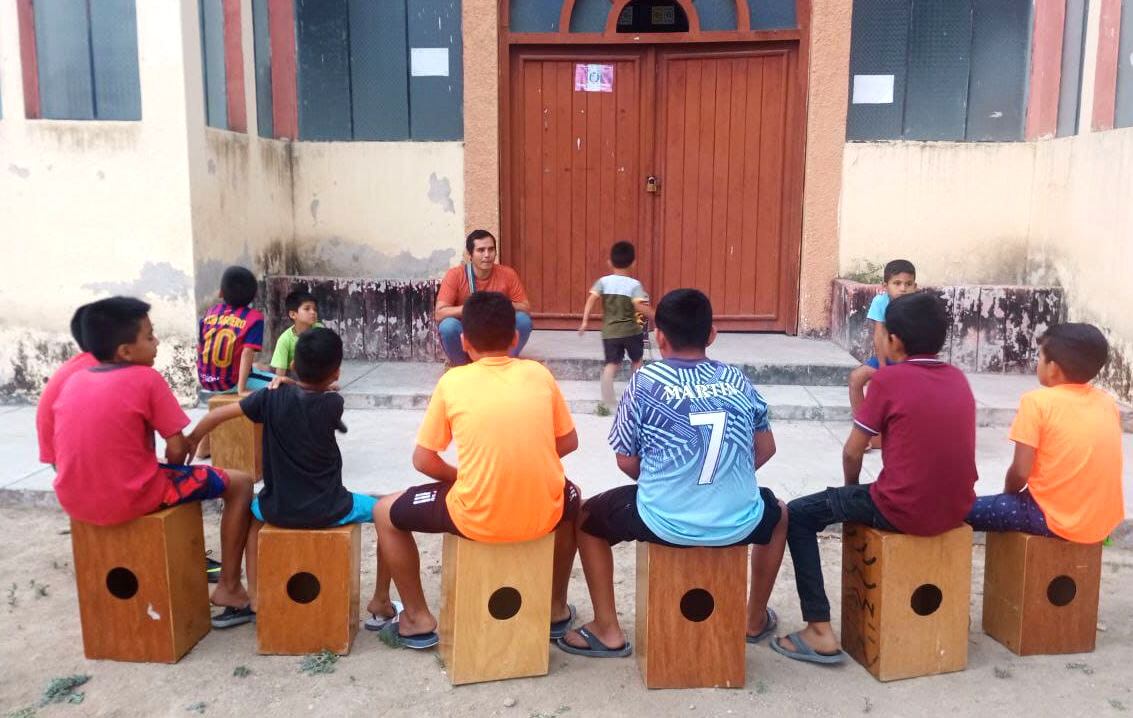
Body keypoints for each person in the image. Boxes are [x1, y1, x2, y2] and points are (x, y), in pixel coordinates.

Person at [558, 288, 787, 658]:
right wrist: (724, 478)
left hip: (663, 519)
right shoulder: (738, 380)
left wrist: (669, 480)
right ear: (711, 335)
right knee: (780, 514)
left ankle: (607, 628)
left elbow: (625, 460)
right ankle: (754, 619)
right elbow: (766, 449)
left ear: (659, 336)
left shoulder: (644, 383)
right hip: (738, 521)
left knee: (586, 518)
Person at [772, 292, 977, 665]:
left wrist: (849, 491)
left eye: (879, 333)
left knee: (799, 514)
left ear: (894, 341)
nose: (876, 339)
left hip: (903, 508)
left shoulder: (889, 380)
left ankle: (819, 630)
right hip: (956, 507)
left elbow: (853, 452)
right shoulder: (958, 379)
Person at [374, 291, 581, 649]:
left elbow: (423, 460)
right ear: (514, 338)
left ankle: (417, 618)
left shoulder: (453, 382)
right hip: (543, 514)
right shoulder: (539, 374)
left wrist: (462, 477)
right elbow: (569, 442)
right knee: (572, 497)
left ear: (464, 342)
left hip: (477, 518)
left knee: (383, 512)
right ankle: (555, 608)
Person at [48, 296, 255, 627]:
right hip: (134, 496)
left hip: (74, 499)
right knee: (241, 483)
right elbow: (177, 449)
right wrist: (178, 460)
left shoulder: (74, 380)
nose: (157, 342)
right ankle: (229, 587)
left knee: (166, 473)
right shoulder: (146, 379)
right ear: (125, 352)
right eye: (149, 336)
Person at [188, 327, 395, 624]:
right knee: (386, 514)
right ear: (336, 373)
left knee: (252, 515)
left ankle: (253, 597)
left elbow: (215, 415)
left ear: (294, 365)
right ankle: (381, 601)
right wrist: (295, 384)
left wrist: (192, 439)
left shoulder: (268, 398)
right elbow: (317, 395)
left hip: (277, 509)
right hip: (331, 508)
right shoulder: (332, 403)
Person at [967, 323, 1124, 542]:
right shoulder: (1107, 402)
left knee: (962, 511)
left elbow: (1020, 473)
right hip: (1100, 522)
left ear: (1053, 368)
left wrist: (1007, 496)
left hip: (1054, 519)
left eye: (1039, 357)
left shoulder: (1037, 402)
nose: (1037, 363)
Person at [196, 266, 274, 458]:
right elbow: (247, 352)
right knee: (280, 386)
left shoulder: (210, 312)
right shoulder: (254, 318)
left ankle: (204, 446)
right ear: (254, 295)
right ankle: (268, 445)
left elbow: (201, 345)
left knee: (259, 368)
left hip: (206, 378)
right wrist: (241, 389)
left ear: (220, 293)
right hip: (230, 382)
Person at [435, 230, 533, 366]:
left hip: (497, 332)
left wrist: (501, 304)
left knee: (523, 320)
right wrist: (474, 307)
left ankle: (504, 365)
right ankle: (462, 367)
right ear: (470, 254)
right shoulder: (455, 275)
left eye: (491, 249)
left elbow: (525, 308)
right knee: (448, 326)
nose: (487, 255)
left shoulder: (508, 274)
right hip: (469, 333)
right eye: (481, 250)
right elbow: (440, 313)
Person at [847, 259, 917, 449]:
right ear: (885, 286)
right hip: (886, 358)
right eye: (897, 283)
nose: (903, 288)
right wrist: (883, 368)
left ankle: (902, 434)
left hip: (909, 361)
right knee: (856, 378)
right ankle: (863, 433)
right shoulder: (881, 301)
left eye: (908, 284)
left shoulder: (917, 306)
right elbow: (879, 336)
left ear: (915, 286)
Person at [577, 241, 653, 406]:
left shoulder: (603, 282)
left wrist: (585, 321)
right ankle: (637, 396)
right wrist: (656, 315)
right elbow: (639, 306)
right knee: (637, 361)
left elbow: (591, 299)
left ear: (610, 262)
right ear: (633, 263)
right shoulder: (634, 285)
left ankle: (608, 401)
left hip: (610, 332)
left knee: (611, 364)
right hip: (631, 331)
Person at [36, 303, 98, 466]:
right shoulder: (105, 369)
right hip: (79, 461)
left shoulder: (78, 364)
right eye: (147, 337)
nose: (155, 342)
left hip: (60, 458)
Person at [270, 289, 321, 376]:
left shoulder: (320, 329)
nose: (313, 312)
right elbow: (280, 376)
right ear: (293, 314)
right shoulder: (284, 340)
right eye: (307, 309)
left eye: (315, 309)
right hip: (293, 376)